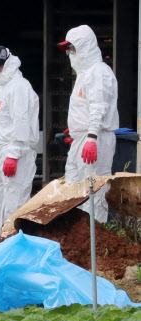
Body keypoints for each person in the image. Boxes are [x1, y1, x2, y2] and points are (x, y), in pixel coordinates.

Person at [58, 25, 118, 222]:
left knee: (92, 188)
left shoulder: (99, 72)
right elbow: (86, 107)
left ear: (85, 46)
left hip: (95, 139)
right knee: (74, 189)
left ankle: (94, 239)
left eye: (72, 48)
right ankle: (78, 241)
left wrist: (91, 136)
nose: (70, 53)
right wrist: (76, 130)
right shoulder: (85, 74)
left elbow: (99, 107)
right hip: (83, 139)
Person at [0, 46, 39, 242]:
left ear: (4, 64)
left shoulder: (19, 87)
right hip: (3, 152)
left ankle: (12, 243)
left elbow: (20, 121)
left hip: (17, 152)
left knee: (14, 202)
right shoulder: (4, 87)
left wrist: (13, 153)